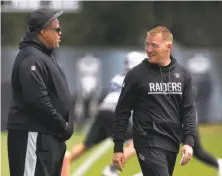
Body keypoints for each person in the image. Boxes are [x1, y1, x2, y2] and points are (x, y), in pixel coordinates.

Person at [112, 26, 197, 176]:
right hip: (147, 142)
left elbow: (188, 110)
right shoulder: (136, 75)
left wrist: (189, 142)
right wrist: (118, 147)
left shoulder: (183, 74)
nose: (149, 49)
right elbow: (122, 111)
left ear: (168, 47)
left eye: (154, 46)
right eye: (147, 44)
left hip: (172, 142)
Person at [7, 8, 75, 176]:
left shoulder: (44, 55)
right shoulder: (31, 58)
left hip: (48, 137)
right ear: (44, 32)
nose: (60, 32)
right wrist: (62, 125)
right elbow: (37, 100)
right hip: (34, 136)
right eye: (57, 29)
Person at [61, 51, 145, 176]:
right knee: (137, 141)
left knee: (86, 145)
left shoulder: (117, 77)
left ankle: (64, 160)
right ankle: (112, 169)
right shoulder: (137, 78)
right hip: (115, 112)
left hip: (103, 111)